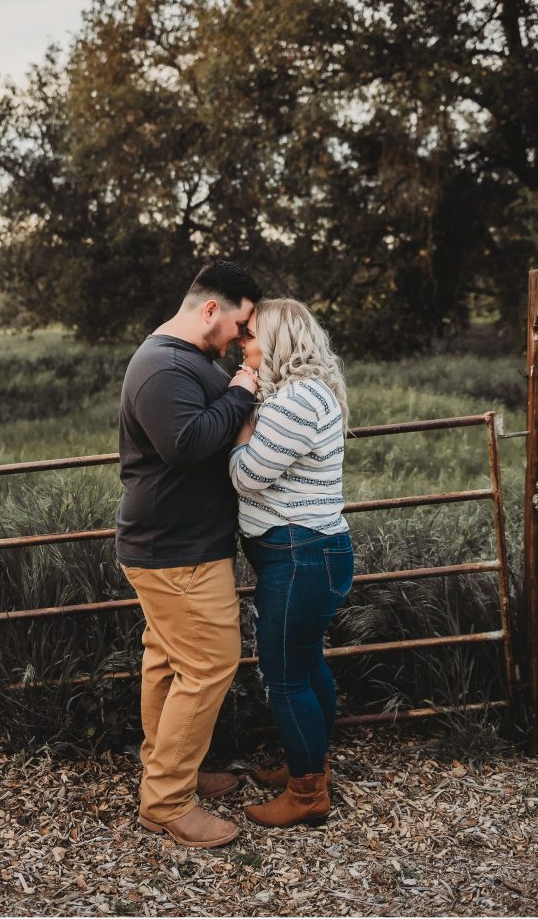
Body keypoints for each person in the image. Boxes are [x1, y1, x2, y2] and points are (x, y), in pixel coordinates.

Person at [116, 259, 262, 848]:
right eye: (240, 324)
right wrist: (245, 385)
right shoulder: (161, 367)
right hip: (174, 551)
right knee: (209, 664)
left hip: (179, 545)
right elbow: (186, 444)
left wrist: (233, 384)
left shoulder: (189, 361)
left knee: (170, 662)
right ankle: (167, 803)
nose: (242, 339)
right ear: (210, 309)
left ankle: (172, 768)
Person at [229, 298, 354, 829]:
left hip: (299, 556)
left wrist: (240, 427)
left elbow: (244, 476)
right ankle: (311, 765)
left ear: (277, 341)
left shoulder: (294, 400)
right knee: (306, 666)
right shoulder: (301, 393)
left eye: (250, 334)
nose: (242, 341)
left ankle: (307, 794)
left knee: (283, 679)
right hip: (308, 553)